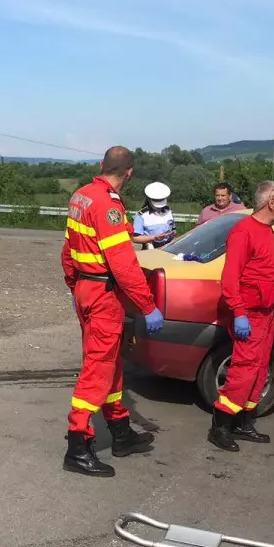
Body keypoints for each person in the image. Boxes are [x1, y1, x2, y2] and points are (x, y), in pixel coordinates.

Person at [60, 145, 165, 477]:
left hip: (86, 289)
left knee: (110, 365)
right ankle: (78, 444)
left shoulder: (82, 196)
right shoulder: (108, 204)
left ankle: (120, 432)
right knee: (98, 367)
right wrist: (148, 306)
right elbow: (123, 265)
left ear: (101, 165)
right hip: (103, 294)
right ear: (129, 173)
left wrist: (75, 283)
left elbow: (70, 247)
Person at [208, 180, 274, 451]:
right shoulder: (244, 232)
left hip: (265, 314)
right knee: (243, 369)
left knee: (258, 368)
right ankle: (220, 426)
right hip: (250, 314)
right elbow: (230, 278)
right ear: (271, 203)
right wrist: (239, 313)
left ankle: (244, 422)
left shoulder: (266, 231)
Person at [132, 181, 176, 249]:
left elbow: (173, 229)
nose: (159, 207)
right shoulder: (141, 215)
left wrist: (172, 234)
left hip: (168, 248)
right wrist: (154, 238)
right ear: (149, 200)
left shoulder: (168, 211)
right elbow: (135, 238)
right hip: (151, 250)